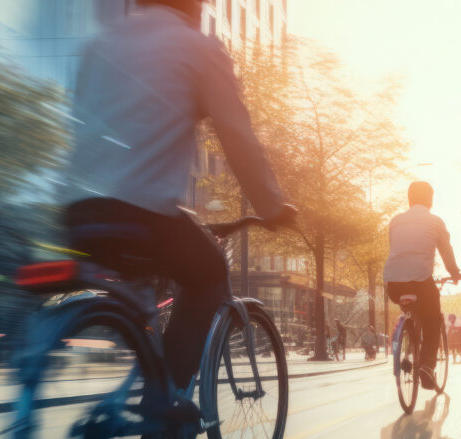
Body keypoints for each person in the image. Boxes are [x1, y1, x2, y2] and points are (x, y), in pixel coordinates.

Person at [63, 0, 294, 413]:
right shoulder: (198, 48)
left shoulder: (98, 45)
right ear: (195, 6)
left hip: (76, 211)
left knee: (139, 290)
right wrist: (272, 205)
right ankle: (165, 396)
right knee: (209, 275)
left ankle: (145, 375)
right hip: (139, 212)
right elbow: (238, 138)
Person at [383, 181, 461, 390]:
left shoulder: (395, 221)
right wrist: (454, 272)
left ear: (409, 199)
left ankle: (409, 334)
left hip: (393, 284)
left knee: (415, 308)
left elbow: (396, 250)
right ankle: (427, 365)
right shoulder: (435, 221)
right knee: (433, 319)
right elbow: (446, 251)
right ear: (430, 200)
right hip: (420, 282)